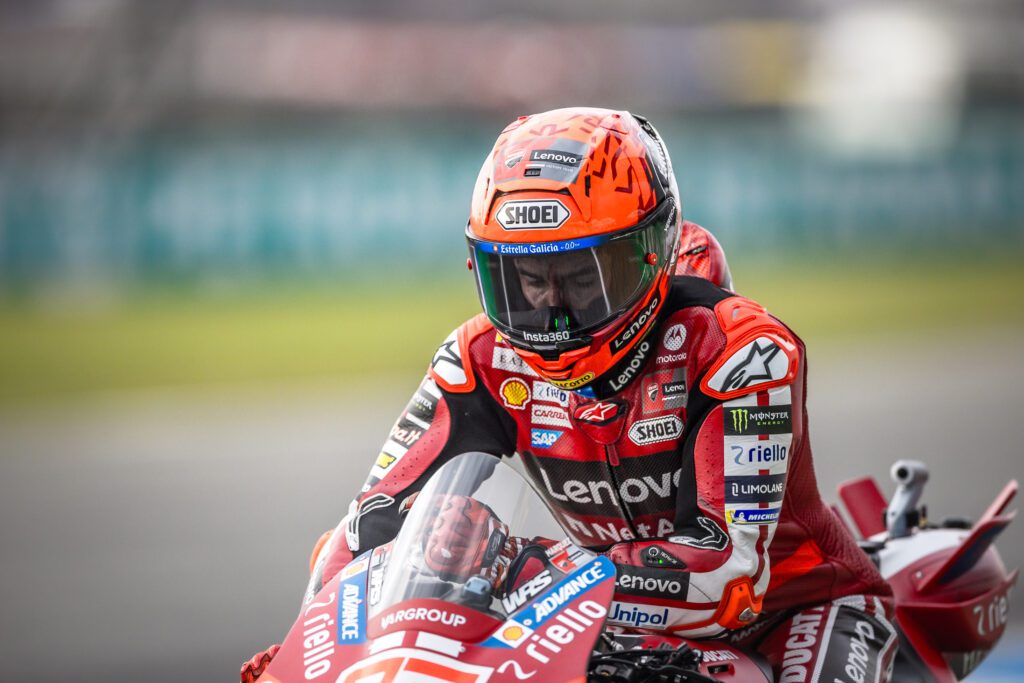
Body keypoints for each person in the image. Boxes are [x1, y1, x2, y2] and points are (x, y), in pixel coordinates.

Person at [242, 107, 895, 682]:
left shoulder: (744, 351)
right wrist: (309, 656)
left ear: (650, 251)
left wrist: (535, 572)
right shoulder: (477, 358)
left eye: (582, 275)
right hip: (620, 622)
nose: (552, 311)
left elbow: (729, 573)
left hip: (795, 613)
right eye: (528, 277)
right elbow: (364, 533)